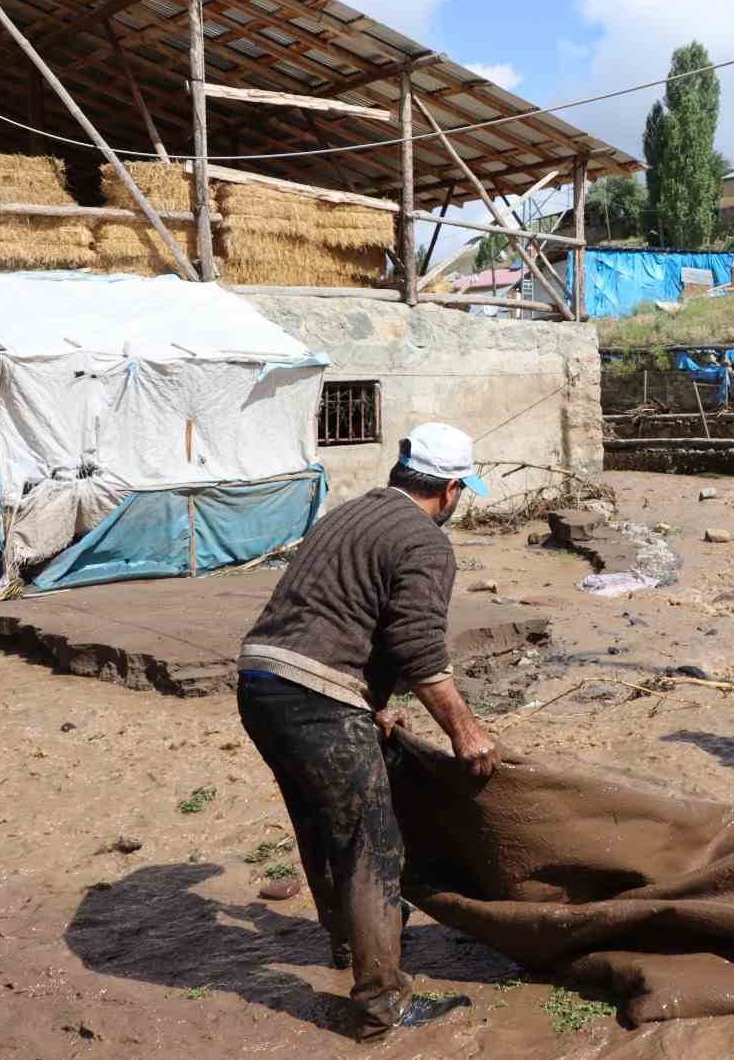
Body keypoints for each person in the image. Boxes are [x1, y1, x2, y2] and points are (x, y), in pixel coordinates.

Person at [235, 422, 498, 1040]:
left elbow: (337, 610)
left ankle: (345, 941)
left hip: (261, 683)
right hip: (313, 696)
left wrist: (371, 705)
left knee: (320, 822)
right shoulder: (426, 542)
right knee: (372, 844)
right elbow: (417, 648)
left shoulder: (349, 514)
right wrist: (466, 732)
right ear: (452, 488)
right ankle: (382, 1003)